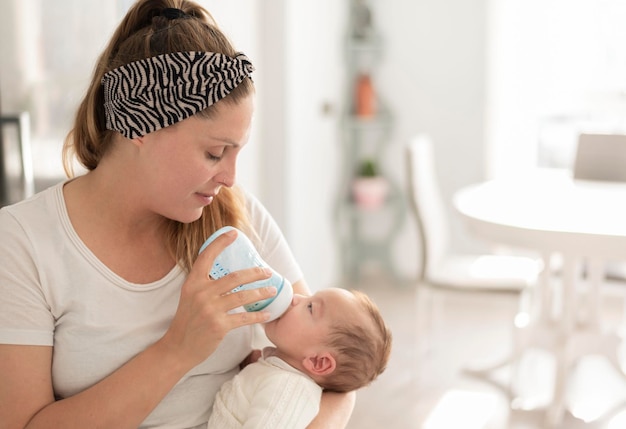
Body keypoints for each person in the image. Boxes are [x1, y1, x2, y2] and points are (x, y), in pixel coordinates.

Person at [0, 1, 355, 428]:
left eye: (237, 152)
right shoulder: (21, 244)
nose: (230, 177)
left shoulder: (234, 218)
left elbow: (335, 380)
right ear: (139, 125)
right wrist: (179, 349)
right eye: (214, 153)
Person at [208, 287, 392, 428]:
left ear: (318, 361)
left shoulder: (288, 390)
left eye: (310, 307)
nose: (296, 298)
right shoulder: (276, 372)